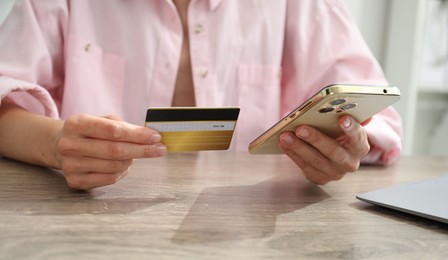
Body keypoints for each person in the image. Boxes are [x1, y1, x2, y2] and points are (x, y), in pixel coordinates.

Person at [0, 0, 402, 190]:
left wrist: (346, 144)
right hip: (87, 223)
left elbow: (377, 118)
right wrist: (56, 144)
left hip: (251, 233)